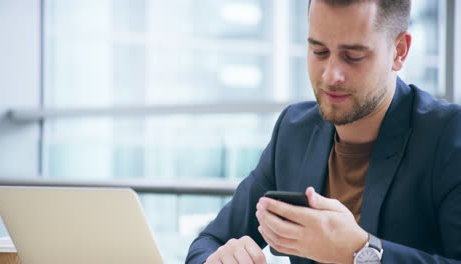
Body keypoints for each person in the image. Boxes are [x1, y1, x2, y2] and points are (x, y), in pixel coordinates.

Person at [186, 0, 461, 263]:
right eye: (319, 51)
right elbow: (209, 242)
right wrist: (222, 259)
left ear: (399, 51)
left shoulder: (448, 137)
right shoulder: (293, 131)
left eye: (352, 56)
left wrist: (361, 252)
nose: (331, 75)